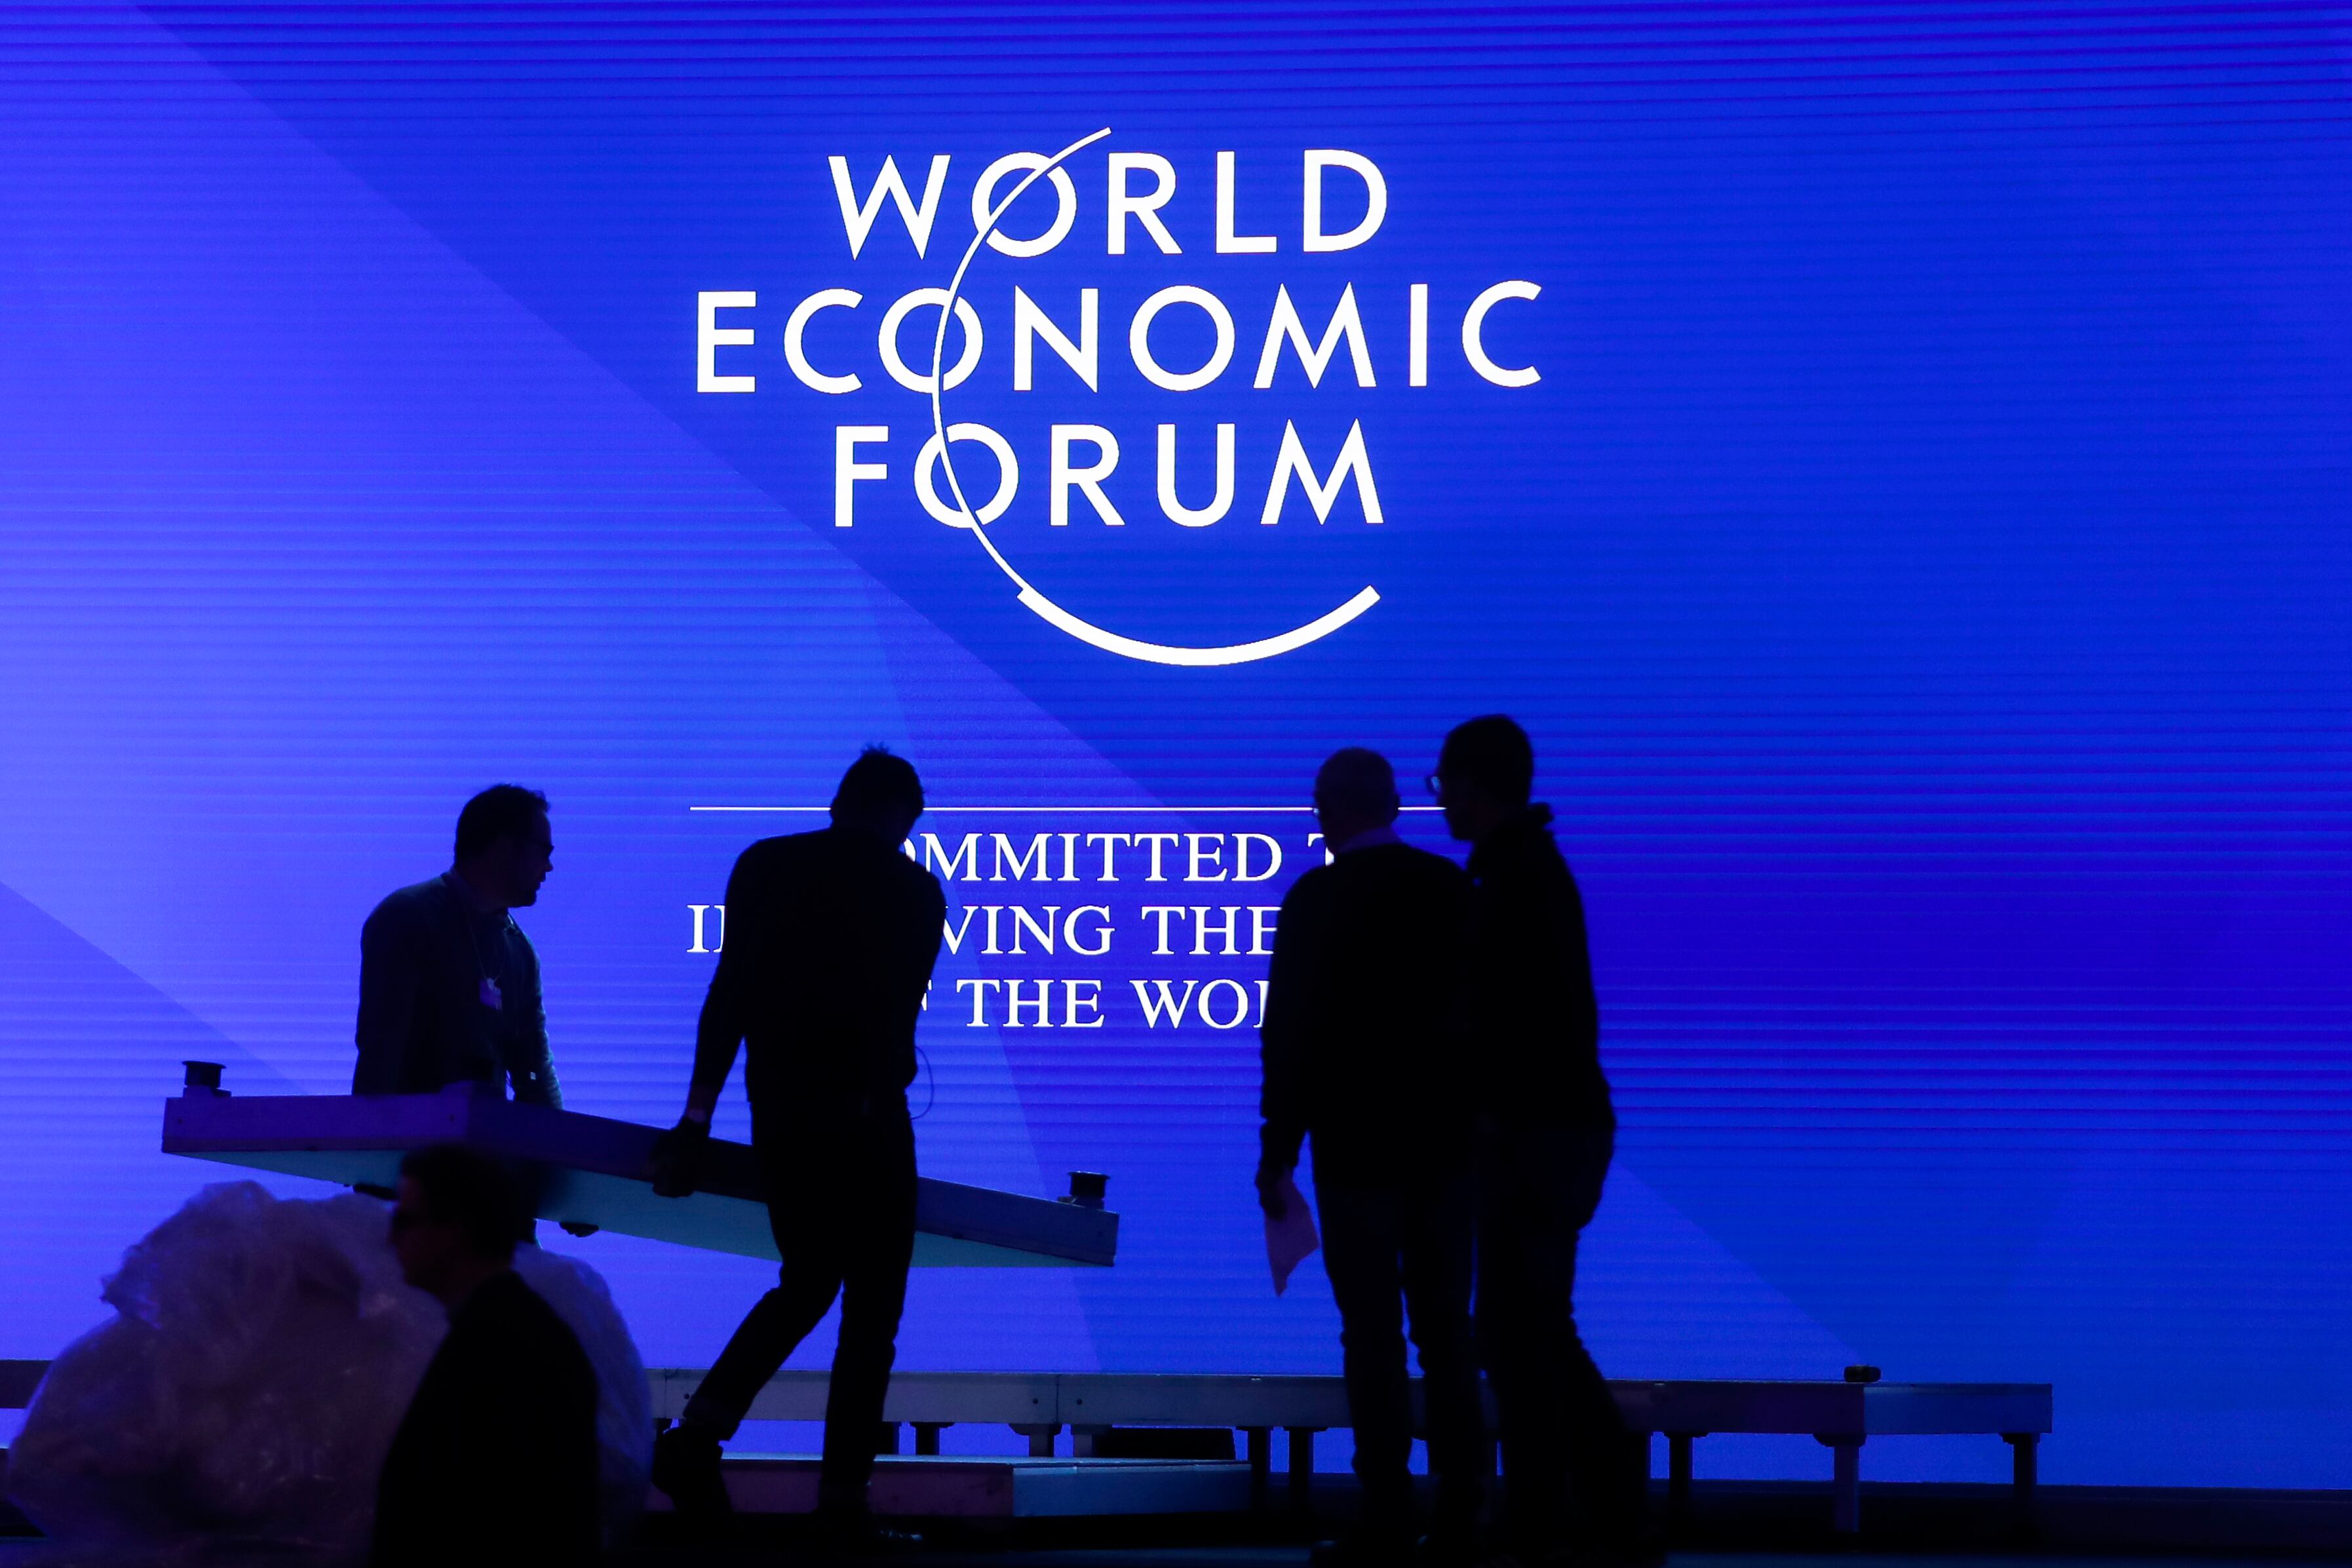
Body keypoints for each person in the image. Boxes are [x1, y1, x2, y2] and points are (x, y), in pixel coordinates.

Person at [647, 748, 946, 1550]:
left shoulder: (765, 864)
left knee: (808, 1278)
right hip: (869, 1121)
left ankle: (698, 1434)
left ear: (839, 801)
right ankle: (842, 1501)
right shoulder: (916, 891)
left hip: (781, 1112)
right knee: (872, 1310)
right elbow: (896, 1023)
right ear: (901, 817)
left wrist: (696, 1117)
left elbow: (728, 995)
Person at [1432, 716, 1653, 1568]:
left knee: (1522, 1328)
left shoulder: (1513, 879)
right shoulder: (1529, 870)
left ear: (1475, 784)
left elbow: (1510, 1023)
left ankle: (1568, 1509)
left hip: (1533, 1135)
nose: (1440, 800)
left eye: (1444, 783)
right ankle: (1573, 1509)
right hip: (1556, 1131)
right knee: (1528, 1326)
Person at [1258, 748, 1486, 1565]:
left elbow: (1290, 1036)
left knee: (1371, 1333)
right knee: (1447, 1333)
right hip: (1446, 1148)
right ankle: (1463, 1512)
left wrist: (1277, 1149)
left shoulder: (1315, 899)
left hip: (1353, 1147)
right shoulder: (1449, 887)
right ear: (1393, 803)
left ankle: (1385, 1509)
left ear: (1326, 809)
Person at [374, 1143, 602, 1567]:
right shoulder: (512, 1332)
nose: (390, 1238)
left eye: (404, 1220)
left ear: (455, 1230)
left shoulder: (497, 1350)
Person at [354, 784, 562, 1107]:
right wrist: (372, 1131)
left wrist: (554, 1134)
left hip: (483, 1137)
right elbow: (381, 1056)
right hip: (409, 1135)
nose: (549, 867)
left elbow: (533, 1070)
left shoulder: (520, 952)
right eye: (544, 852)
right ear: (504, 848)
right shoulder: (408, 918)